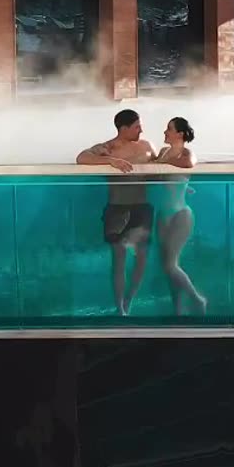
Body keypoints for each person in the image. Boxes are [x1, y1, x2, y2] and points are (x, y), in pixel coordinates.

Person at [76, 109, 156, 315]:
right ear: (124, 128)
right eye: (137, 126)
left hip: (141, 206)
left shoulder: (147, 146)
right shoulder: (108, 148)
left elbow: (161, 166)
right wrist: (111, 161)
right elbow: (81, 158)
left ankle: (130, 300)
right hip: (118, 208)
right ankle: (120, 307)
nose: (141, 130)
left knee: (141, 257)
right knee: (119, 259)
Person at [154, 117, 207, 314]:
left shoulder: (186, 153)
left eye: (169, 129)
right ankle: (178, 309)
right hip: (163, 214)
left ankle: (197, 299)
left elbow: (188, 163)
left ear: (180, 134)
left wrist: (164, 164)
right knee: (165, 264)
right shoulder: (162, 152)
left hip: (180, 214)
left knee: (170, 265)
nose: (165, 132)